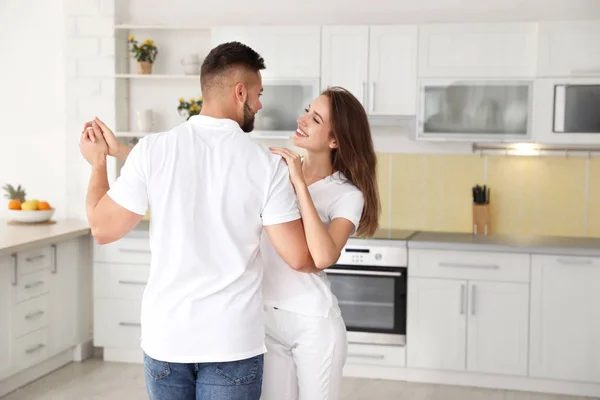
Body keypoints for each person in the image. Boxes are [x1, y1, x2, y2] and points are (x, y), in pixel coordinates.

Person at [78, 41, 318, 400]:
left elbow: (102, 228)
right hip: (232, 340)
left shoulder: (153, 150)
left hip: (167, 338)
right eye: (258, 93)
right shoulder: (266, 166)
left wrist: (99, 162)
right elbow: (299, 258)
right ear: (240, 92)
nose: (261, 104)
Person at [261, 87, 380, 400]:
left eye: (315, 118)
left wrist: (300, 183)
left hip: (312, 323)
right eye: (307, 110)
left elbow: (325, 254)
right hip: (267, 317)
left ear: (334, 140)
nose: (302, 119)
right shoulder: (275, 173)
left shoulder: (347, 195)